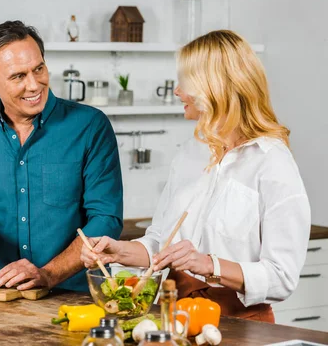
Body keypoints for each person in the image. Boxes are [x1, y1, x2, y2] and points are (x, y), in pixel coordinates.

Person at [80, 30, 311, 322]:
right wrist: (119, 252)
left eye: (185, 81)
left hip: (241, 325)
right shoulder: (191, 152)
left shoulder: (272, 161)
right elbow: (161, 244)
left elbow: (282, 277)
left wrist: (209, 264)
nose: (177, 91)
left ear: (215, 86)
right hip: (174, 316)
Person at [0, 20, 123, 292]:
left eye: (38, 69)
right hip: (3, 298)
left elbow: (106, 220)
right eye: (18, 76)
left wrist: (48, 274)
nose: (34, 85)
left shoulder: (90, 126)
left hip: (82, 299)